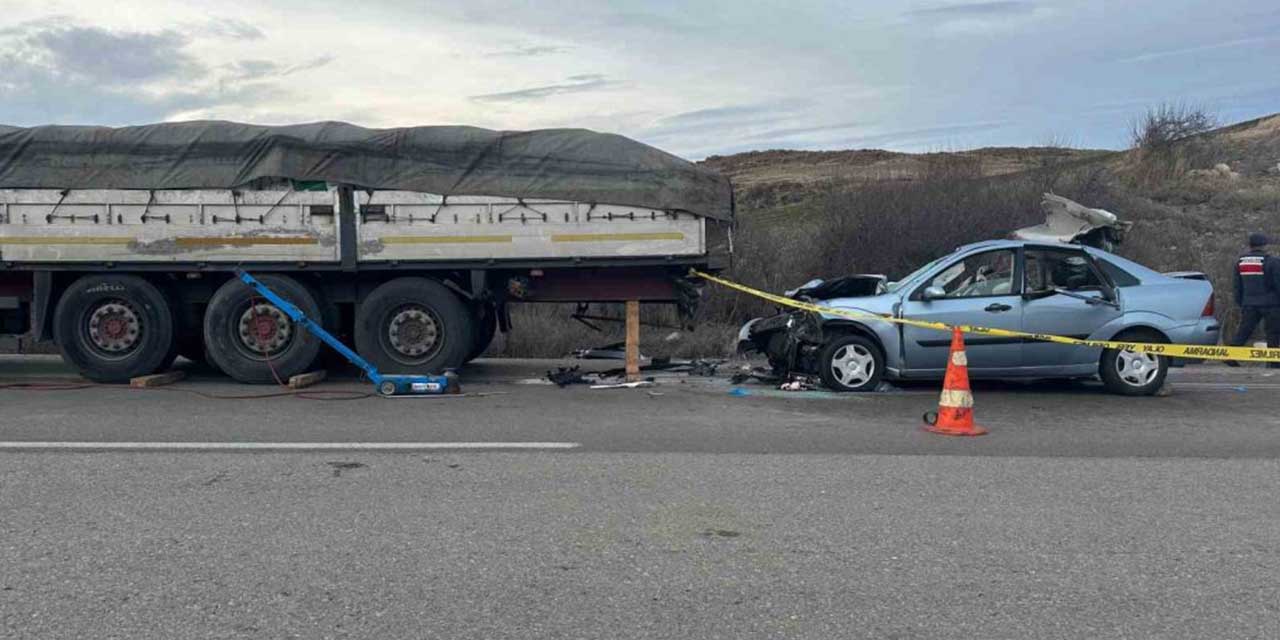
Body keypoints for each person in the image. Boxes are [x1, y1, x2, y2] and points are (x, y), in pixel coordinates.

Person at [1226, 232, 1280, 368]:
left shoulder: (1241, 262)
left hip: (1249, 303)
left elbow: (1237, 286)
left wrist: (1240, 302)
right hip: (1271, 304)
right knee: (1273, 333)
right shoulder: (1272, 262)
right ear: (1265, 245)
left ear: (1250, 245)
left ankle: (1230, 355)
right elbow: (1277, 284)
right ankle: (1273, 363)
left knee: (1244, 331)